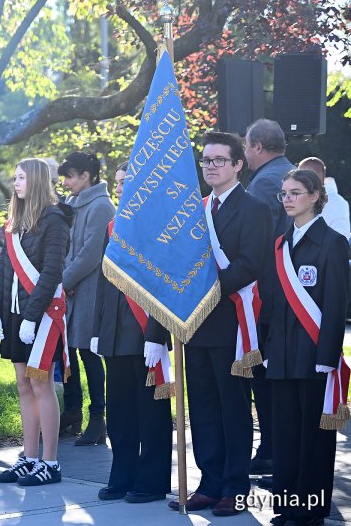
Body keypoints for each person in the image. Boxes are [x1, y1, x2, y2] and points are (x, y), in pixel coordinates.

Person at [169, 132, 272, 516]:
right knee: (203, 409)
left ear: (237, 164)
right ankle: (209, 484)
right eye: (206, 160)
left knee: (233, 408)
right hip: (196, 324)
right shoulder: (196, 209)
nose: (210, 166)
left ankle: (235, 486)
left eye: (218, 160)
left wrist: (204, 291)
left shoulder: (255, 209)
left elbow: (250, 264)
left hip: (233, 324)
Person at [266, 169, 349, 526]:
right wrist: (267, 349)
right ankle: (286, 506)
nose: (287, 199)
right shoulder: (280, 244)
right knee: (285, 436)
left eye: (295, 192)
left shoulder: (333, 242)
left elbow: (336, 304)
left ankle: (309, 511)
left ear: (315, 196)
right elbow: (272, 302)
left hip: (314, 356)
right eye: (284, 193)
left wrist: (327, 357)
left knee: (313, 439)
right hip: (282, 356)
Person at [0, 158, 73, 486]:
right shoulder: (16, 220)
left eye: (21, 177)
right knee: (23, 385)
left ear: (36, 180)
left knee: (41, 385)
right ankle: (30, 457)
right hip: (15, 314)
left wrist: (32, 316)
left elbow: (52, 271)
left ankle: (50, 463)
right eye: (15, 177)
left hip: (41, 315)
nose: (15, 183)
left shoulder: (54, 218)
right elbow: (3, 271)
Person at [94, 163, 172, 504]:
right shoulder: (113, 226)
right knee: (120, 412)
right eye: (117, 182)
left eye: (125, 182)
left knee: (150, 412)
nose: (118, 188)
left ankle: (152, 480)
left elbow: (164, 285)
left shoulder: (160, 226)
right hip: (114, 333)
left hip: (144, 335)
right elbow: (104, 281)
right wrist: (98, 329)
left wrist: (157, 334)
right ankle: (121, 475)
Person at [244, 119, 293, 476]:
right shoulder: (291, 173)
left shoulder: (263, 183)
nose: (245, 153)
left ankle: (273, 449)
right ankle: (276, 449)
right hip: (289, 292)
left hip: (268, 295)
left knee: (264, 376)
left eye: (246, 146)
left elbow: (255, 242)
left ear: (258, 146)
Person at [57, 151, 115, 445]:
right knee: (67, 352)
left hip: (89, 291)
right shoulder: (71, 203)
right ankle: (72, 410)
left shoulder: (101, 205)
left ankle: (97, 418)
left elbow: (91, 254)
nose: (65, 182)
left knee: (89, 355)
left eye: (69, 176)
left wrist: (63, 281)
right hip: (70, 290)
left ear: (86, 176)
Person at [298, 157, 350, 240]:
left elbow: (341, 238)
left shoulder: (337, 203)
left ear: (319, 175)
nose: (298, 179)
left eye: (303, 175)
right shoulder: (300, 198)